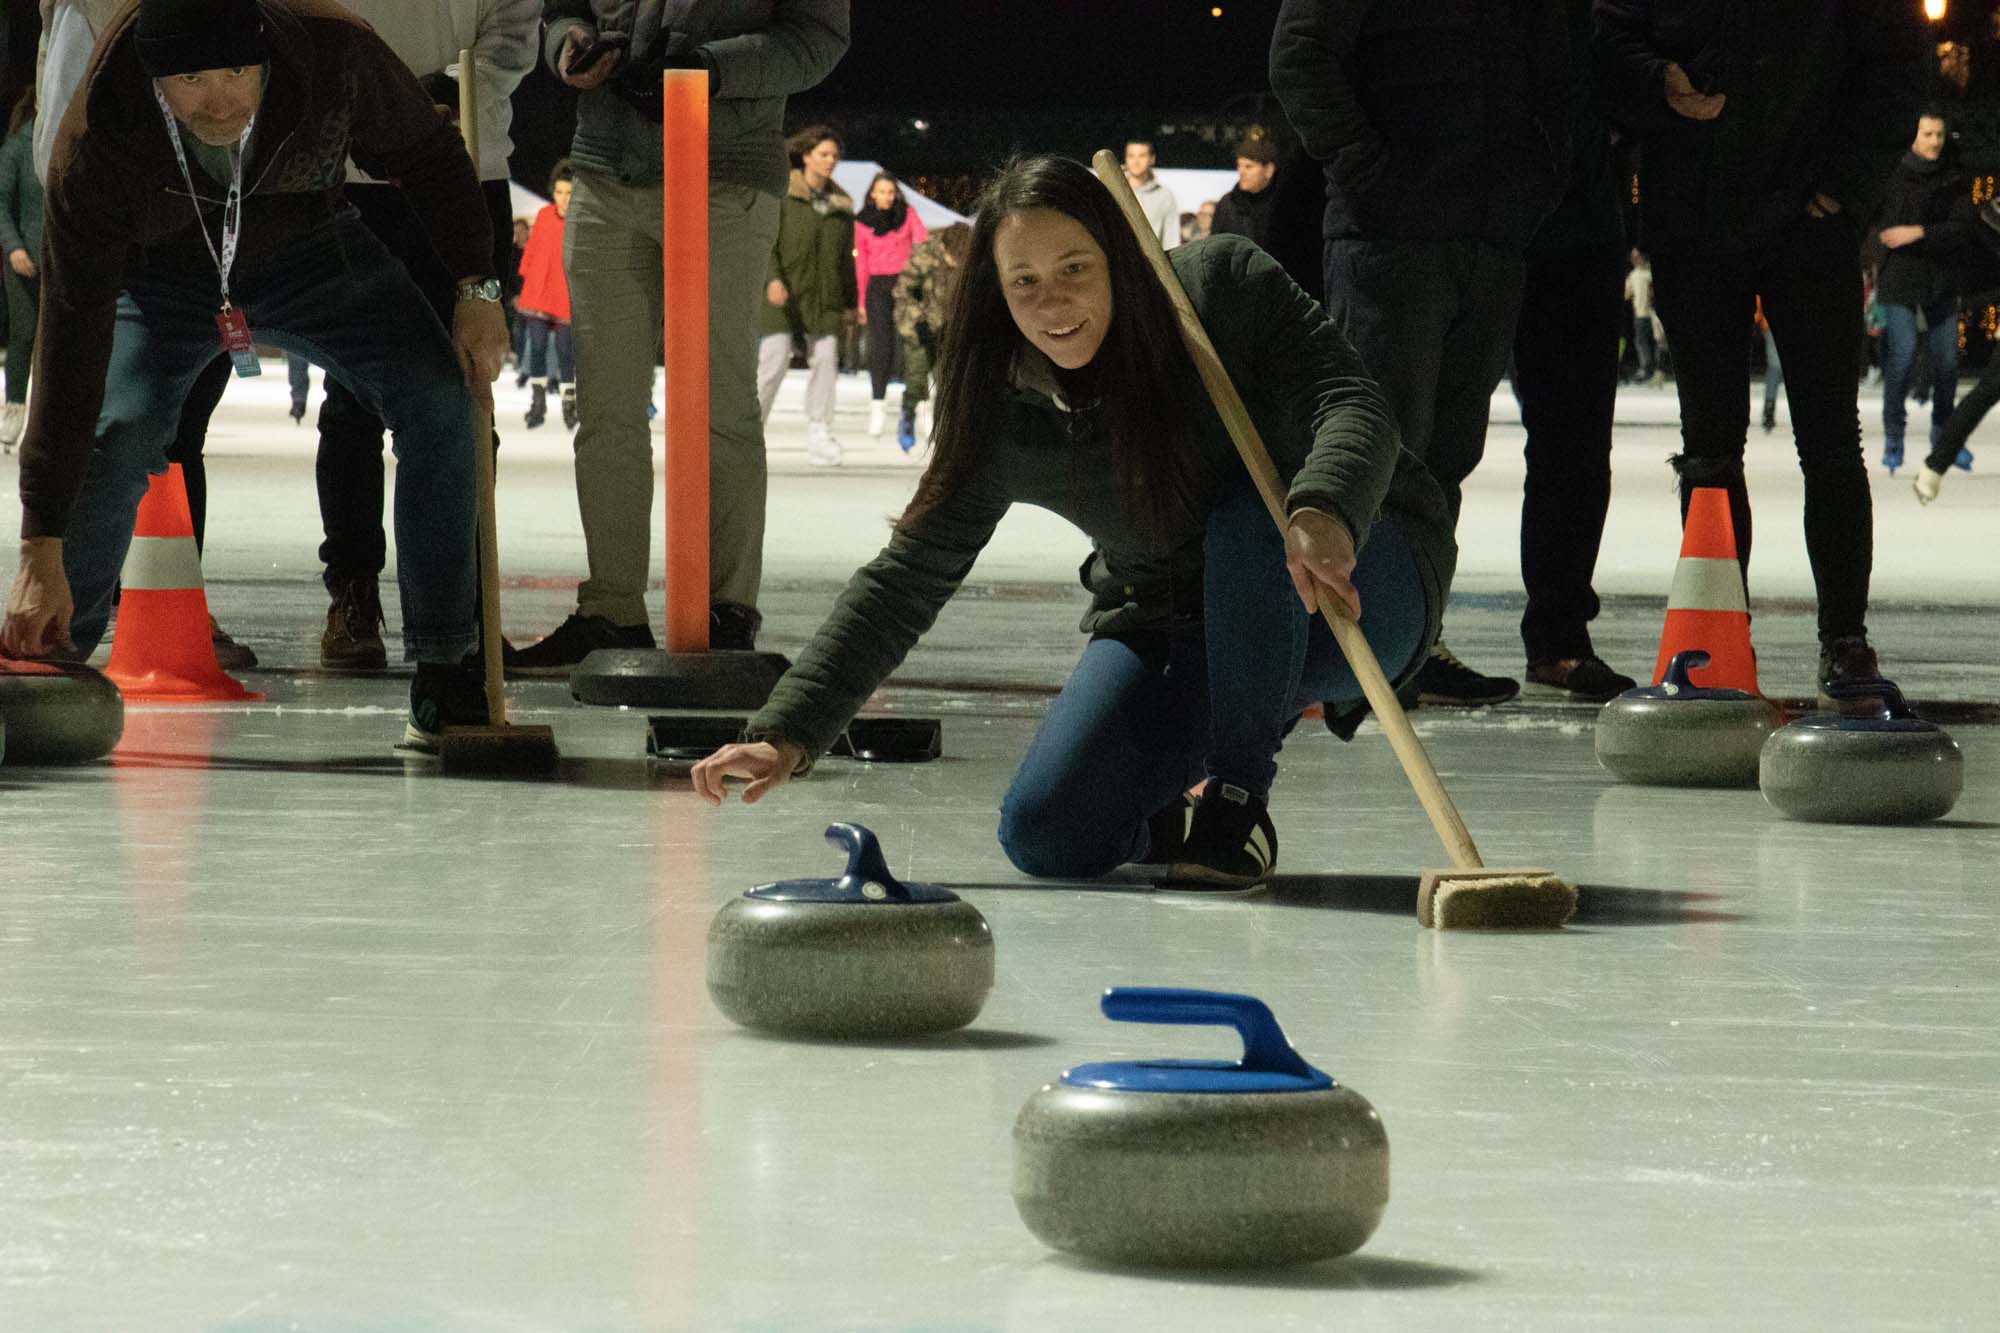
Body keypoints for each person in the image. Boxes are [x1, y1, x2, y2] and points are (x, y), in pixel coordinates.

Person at [691, 156, 1457, 889]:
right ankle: (1178, 818)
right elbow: (905, 580)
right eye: (1024, 282)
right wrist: (786, 728)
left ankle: (1236, 800)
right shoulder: (1005, 409)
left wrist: (1324, 506)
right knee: (1049, 830)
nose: (1052, 303)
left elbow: (1352, 402)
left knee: (1250, 512)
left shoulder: (1220, 290)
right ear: (996, 289)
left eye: (1075, 270)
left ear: (1119, 257)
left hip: (1353, 580)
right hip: (1178, 614)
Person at [1, 0, 509, 754]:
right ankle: (47, 652)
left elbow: (431, 156)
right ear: (152, 78)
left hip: (312, 247)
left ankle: (446, 659)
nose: (223, 99)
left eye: (239, 71)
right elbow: (70, 344)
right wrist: (39, 542)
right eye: (194, 80)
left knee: (438, 400)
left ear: (266, 53)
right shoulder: (98, 141)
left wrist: (477, 288)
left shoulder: (336, 55)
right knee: (117, 426)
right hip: (161, 275)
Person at [1595, 0, 1926, 701]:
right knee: (1710, 450)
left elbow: (1897, 67)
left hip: (1807, 223)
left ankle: (1845, 636)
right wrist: (1659, 79)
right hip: (1695, 219)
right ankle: (1716, 636)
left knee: (1830, 440)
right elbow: (1605, 31)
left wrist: (1843, 189)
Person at [516, 1, 849, 671]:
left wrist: (713, 69)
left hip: (724, 173)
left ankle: (726, 609)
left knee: (720, 402)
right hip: (607, 172)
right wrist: (568, 45)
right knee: (606, 408)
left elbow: (819, 37)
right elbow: (560, 9)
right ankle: (612, 609)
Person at [1272, 0, 1570, 709]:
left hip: (1487, 238)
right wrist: (1370, 173)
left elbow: (1552, 77)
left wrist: (1537, 179)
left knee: (1445, 458)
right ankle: (1353, 657)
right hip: (1390, 241)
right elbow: (1299, 59)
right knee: (1375, 450)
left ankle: (1412, 641)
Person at [1508, 0, 1636, 704]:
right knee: (1422, 442)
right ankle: (1406, 636)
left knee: (1576, 448)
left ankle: (1558, 635)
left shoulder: (1595, 17)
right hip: (1467, 225)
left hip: (1579, 238)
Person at [1875, 109, 1978, 476]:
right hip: (1900, 277)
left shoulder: (1954, 178)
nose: (1934, 141)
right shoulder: (1893, 174)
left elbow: (1963, 229)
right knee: (1901, 357)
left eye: (1939, 134)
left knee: (1948, 361)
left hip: (1941, 278)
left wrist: (1918, 232)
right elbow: (1876, 224)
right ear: (1913, 136)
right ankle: (1893, 436)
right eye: (1927, 134)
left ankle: (1944, 436)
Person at [756, 125, 857, 466]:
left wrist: (851, 303)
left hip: (825, 298)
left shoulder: (842, 206)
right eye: (824, 154)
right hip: (782, 294)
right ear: (806, 156)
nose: (830, 161)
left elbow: (846, 260)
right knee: (774, 358)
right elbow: (766, 242)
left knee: (826, 359)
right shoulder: (782, 195)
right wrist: (771, 279)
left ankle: (819, 432)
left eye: (834, 156)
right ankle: (750, 430)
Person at [853, 170, 926, 444]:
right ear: (872, 193)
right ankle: (877, 406)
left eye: (890, 192)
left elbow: (922, 243)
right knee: (880, 346)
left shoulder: (907, 215)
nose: (886, 196)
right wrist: (861, 301)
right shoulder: (862, 222)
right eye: (881, 191)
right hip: (877, 288)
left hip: (905, 285)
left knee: (911, 345)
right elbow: (861, 264)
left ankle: (915, 407)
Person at [889, 220, 971, 458]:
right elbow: (902, 291)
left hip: (948, 329)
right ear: (944, 249)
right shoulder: (925, 254)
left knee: (946, 382)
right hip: (916, 326)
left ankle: (941, 433)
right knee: (916, 378)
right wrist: (919, 320)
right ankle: (908, 413)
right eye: (952, 259)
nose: (955, 264)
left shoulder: (973, 261)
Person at [515, 159, 577, 431]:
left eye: (569, 193)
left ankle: (569, 403)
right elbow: (532, 251)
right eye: (559, 192)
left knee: (565, 352)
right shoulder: (543, 215)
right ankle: (537, 402)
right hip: (540, 293)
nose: (563, 198)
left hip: (564, 295)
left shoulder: (579, 221)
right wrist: (525, 276)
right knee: (537, 347)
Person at [0, 86, 41, 455]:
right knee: (23, 337)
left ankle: (54, 419)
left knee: (62, 344)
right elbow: (0, 202)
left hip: (63, 266)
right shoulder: (17, 146)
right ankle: (13, 410)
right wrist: (13, 246)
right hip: (24, 264)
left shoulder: (71, 143)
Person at [1207, 135, 1279, 251]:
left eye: (1248, 167)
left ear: (1269, 170)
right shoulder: (1228, 205)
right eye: (1239, 166)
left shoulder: (1284, 204)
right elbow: (1215, 249)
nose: (1241, 172)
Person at [1122, 139, 1179, 251]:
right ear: (1126, 159)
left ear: (1152, 159)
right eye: (1131, 156)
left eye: (1142, 156)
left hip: (1150, 265)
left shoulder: (1164, 196)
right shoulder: (1112, 190)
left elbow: (1171, 238)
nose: (1136, 161)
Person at [1625, 248, 1661, 384]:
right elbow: (1626, 292)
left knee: (1659, 341)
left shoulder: (1649, 272)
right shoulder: (1633, 275)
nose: (1634, 259)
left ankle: (1659, 369)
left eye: (1637, 256)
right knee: (1641, 342)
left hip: (1653, 313)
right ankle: (1646, 368)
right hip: (1640, 314)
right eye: (1632, 257)